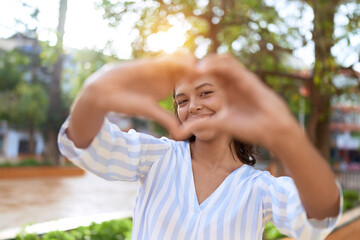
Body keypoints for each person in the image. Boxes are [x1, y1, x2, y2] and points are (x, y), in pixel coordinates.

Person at [58, 53, 342, 239]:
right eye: (182, 100)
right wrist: (95, 92)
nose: (193, 106)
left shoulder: (258, 188)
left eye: (205, 93)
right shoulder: (158, 157)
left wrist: (287, 136)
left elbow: (319, 216)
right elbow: (85, 144)